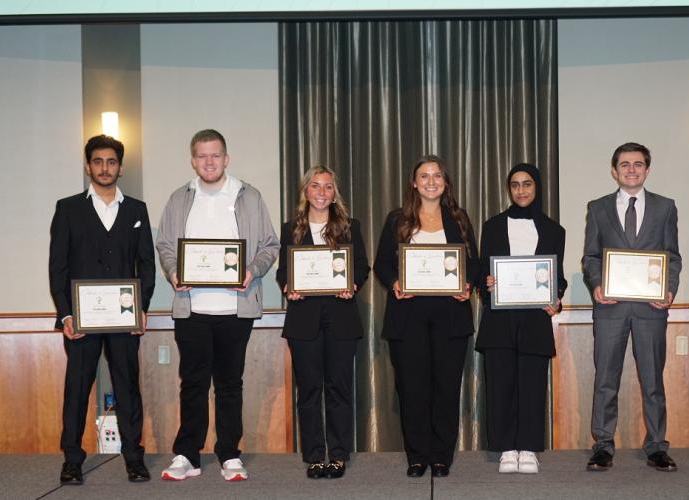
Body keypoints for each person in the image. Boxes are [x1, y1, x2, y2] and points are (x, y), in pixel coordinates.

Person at [157, 129, 279, 482]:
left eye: (215, 155)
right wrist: (174, 271)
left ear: (226, 158)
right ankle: (187, 455)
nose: (209, 162)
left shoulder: (249, 197)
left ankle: (229, 454)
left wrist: (251, 270)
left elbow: (270, 245)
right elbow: (165, 244)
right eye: (202, 156)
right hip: (191, 307)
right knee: (192, 383)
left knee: (229, 384)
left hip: (234, 308)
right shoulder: (180, 199)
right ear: (193, 160)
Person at [48, 134, 155, 485]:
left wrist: (142, 308)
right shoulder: (68, 208)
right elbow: (58, 268)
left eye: (111, 162)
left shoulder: (136, 210)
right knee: (77, 389)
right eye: (98, 161)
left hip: (124, 320)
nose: (104, 168)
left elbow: (146, 265)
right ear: (88, 166)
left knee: (128, 389)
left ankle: (134, 459)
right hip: (81, 320)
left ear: (120, 167)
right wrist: (65, 314)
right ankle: (72, 460)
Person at [374, 155, 478, 478]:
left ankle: (441, 456)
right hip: (409, 315)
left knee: (446, 389)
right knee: (412, 389)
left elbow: (473, 262)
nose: (430, 181)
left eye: (437, 176)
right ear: (413, 182)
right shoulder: (397, 220)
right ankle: (417, 457)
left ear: (445, 182)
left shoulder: (459, 219)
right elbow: (382, 264)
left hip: (451, 314)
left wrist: (468, 285)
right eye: (424, 176)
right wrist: (394, 284)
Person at [582, 142, 682, 472]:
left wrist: (668, 289)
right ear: (614, 171)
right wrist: (597, 284)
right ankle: (603, 446)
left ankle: (656, 446)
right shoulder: (597, 208)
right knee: (605, 379)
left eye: (638, 164)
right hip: (610, 307)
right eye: (625, 164)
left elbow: (672, 256)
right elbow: (591, 256)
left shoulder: (666, 207)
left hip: (651, 308)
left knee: (653, 380)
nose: (631, 169)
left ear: (647, 170)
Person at [275, 165, 370, 480]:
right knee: (310, 390)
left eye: (328, 186)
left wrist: (352, 285)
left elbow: (361, 266)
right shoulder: (292, 229)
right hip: (304, 321)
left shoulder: (349, 226)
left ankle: (338, 455)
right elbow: (282, 271)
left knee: (339, 388)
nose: (321, 192)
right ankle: (315, 455)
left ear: (334, 193)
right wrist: (288, 286)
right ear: (306, 191)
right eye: (315, 186)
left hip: (341, 318)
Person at [476, 163, 567, 474]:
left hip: (534, 319)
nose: (521, 190)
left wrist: (557, 298)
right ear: (509, 189)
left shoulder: (555, 230)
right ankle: (506, 449)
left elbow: (560, 278)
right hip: (500, 319)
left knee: (531, 384)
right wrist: (486, 283)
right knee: (500, 384)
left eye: (527, 184)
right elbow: (481, 272)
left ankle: (528, 447)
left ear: (537, 187)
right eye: (515, 185)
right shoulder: (492, 226)